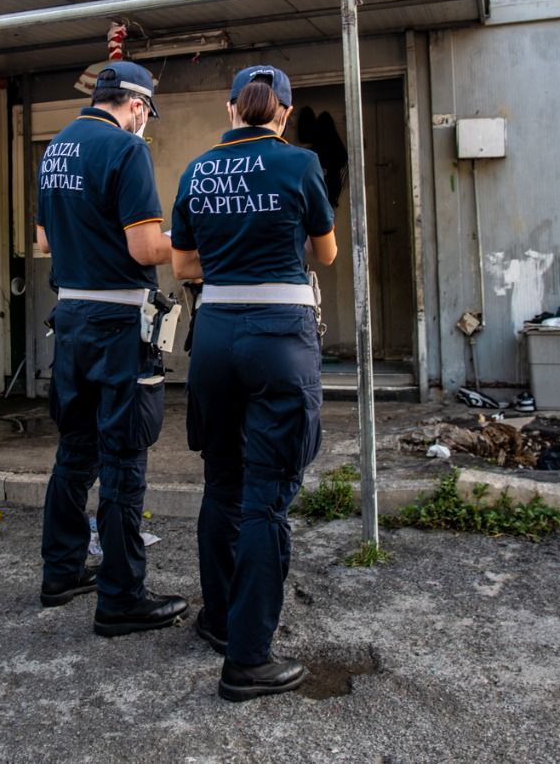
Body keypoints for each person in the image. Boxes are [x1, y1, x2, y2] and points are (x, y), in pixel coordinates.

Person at [170, 65, 337, 701]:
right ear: (283, 113)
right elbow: (325, 252)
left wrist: (228, 253)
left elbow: (183, 265)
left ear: (231, 108)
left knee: (222, 481)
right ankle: (248, 658)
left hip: (215, 333)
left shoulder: (197, 169)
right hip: (279, 336)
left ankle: (220, 619)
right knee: (266, 498)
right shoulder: (300, 164)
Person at [34, 60, 189, 637]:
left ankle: (61, 572)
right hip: (121, 321)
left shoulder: (54, 149)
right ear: (138, 106)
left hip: (71, 318)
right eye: (146, 113)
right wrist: (187, 239)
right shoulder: (127, 150)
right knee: (124, 459)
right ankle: (122, 597)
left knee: (75, 453)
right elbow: (145, 248)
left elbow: (45, 240)